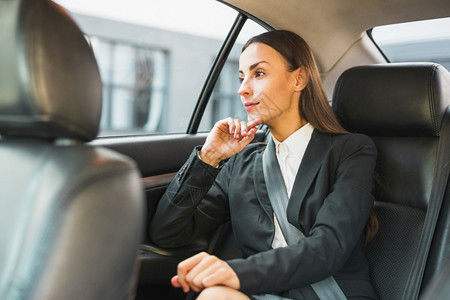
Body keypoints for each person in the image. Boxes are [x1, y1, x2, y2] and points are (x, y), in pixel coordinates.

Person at [150, 30, 378, 300]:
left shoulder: (351, 151)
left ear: (299, 79)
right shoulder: (242, 163)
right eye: (241, 76)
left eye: (258, 73)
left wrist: (234, 273)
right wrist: (209, 158)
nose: (242, 88)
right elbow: (167, 233)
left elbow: (329, 247)